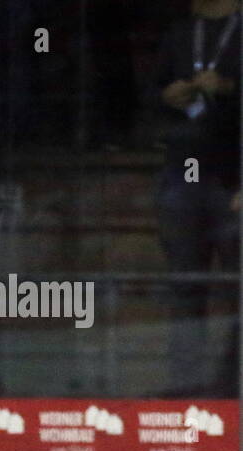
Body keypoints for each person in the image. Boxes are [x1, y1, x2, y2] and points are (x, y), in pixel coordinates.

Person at [155, 0, 242, 396]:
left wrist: (227, 88)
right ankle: (184, 387)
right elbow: (148, 102)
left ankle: (232, 386)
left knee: (238, 289)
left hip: (233, 180)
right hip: (183, 173)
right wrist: (168, 96)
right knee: (185, 287)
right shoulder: (177, 34)